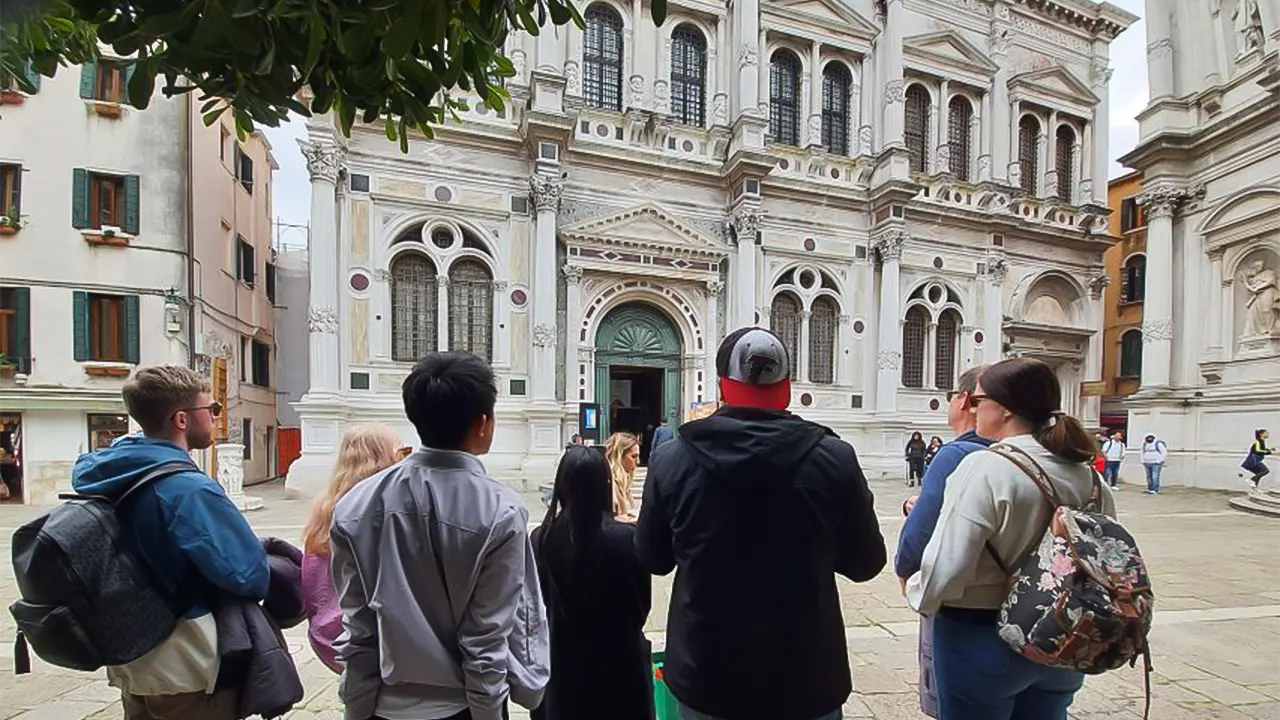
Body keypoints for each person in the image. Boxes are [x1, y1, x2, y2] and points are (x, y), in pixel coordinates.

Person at [635, 327, 886, 720]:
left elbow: (653, 558)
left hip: (708, 676)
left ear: (722, 385)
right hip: (806, 679)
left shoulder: (671, 459)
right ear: (785, 388)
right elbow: (865, 564)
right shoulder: (834, 458)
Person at [330, 351, 549, 720]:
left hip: (381, 706)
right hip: (462, 707)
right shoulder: (501, 512)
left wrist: (356, 709)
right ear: (483, 423)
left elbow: (358, 628)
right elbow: (487, 639)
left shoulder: (355, 506)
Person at [906, 357, 1116, 720]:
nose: (973, 409)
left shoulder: (985, 467)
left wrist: (917, 591)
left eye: (977, 401)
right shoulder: (1089, 477)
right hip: (1063, 636)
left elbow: (948, 564)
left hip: (982, 636)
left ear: (1003, 409)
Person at [70, 365, 270, 720]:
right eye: (212, 409)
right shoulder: (187, 490)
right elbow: (249, 574)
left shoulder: (107, 473)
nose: (214, 417)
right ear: (181, 419)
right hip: (183, 658)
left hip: (132, 654)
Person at [895, 366, 991, 718]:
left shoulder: (955, 455)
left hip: (962, 604)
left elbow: (919, 536)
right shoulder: (1044, 457)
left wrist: (906, 573)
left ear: (965, 400)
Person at [532, 447, 653, 720]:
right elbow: (641, 607)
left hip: (562, 669)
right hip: (622, 669)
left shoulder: (541, 540)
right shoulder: (627, 540)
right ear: (605, 485)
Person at [300, 423, 403, 674]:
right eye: (402, 452)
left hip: (328, 633)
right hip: (368, 638)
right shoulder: (380, 510)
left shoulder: (324, 505)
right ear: (383, 458)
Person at [605, 431, 641, 522]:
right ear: (619, 456)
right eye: (634, 456)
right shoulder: (609, 482)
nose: (638, 462)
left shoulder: (623, 484)